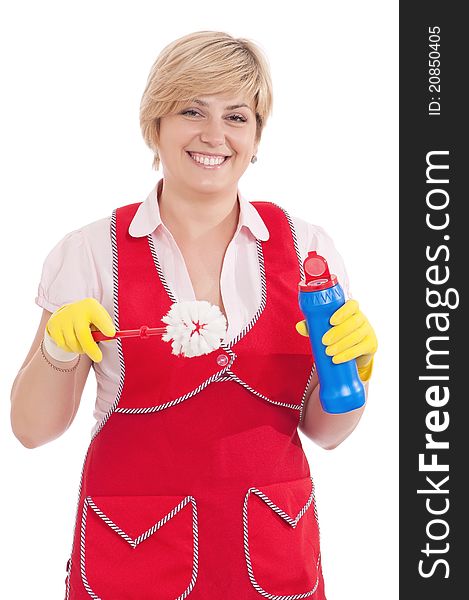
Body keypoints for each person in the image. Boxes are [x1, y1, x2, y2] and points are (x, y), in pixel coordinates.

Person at [10, 30, 377, 599]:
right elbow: (32, 431)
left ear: (256, 137)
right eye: (191, 110)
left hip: (273, 555)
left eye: (237, 116)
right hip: (134, 555)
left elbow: (326, 433)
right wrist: (56, 354)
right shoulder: (90, 252)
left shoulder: (309, 253)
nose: (214, 135)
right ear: (154, 126)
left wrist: (354, 368)